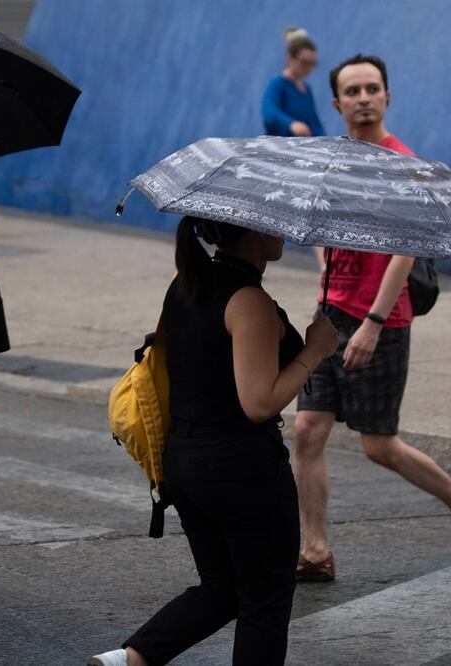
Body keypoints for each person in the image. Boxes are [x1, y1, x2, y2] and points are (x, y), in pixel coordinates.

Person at [89, 217, 339, 666]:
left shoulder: (187, 283)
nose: (284, 232)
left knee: (223, 588)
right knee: (265, 599)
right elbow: (259, 403)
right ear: (256, 231)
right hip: (241, 470)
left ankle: (130, 660)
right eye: (275, 224)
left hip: (186, 461)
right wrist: (315, 350)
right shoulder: (248, 301)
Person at [292, 54, 451, 583]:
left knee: (378, 445)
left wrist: (373, 322)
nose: (363, 98)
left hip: (379, 320)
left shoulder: (402, 164)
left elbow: (406, 248)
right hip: (328, 314)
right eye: (353, 91)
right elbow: (320, 225)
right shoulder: (335, 162)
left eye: (372, 89)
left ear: (387, 97)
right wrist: (325, 268)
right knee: (308, 431)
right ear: (336, 103)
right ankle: (315, 550)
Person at [261, 26, 325, 138]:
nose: (309, 68)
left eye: (312, 64)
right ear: (290, 57)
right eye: (304, 62)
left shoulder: (306, 90)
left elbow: (314, 124)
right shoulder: (277, 84)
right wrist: (291, 124)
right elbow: (269, 113)